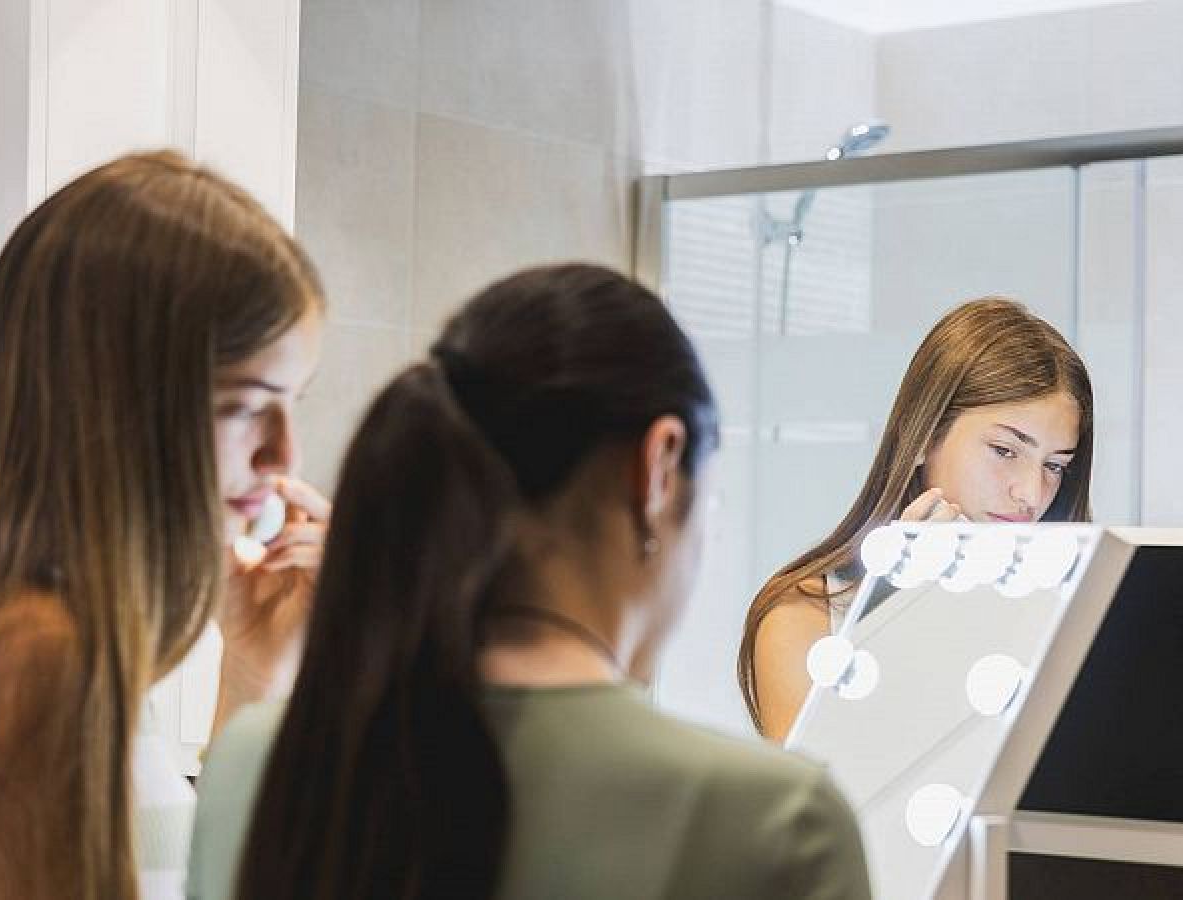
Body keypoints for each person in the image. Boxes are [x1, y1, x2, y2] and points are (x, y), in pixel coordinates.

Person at [189, 263, 872, 900]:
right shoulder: (776, 819)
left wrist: (253, 680)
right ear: (660, 468)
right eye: (711, 502)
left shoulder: (254, 764)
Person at [0, 151, 329, 899]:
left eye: (293, 403)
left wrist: (253, 675)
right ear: (118, 398)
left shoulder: (32, 627)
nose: (282, 453)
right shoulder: (39, 655)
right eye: (245, 405)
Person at [738, 296, 1094, 741]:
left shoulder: (1068, 614)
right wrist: (901, 616)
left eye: (1055, 466)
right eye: (1005, 451)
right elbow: (830, 803)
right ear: (923, 435)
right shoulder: (804, 617)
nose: (1032, 493)